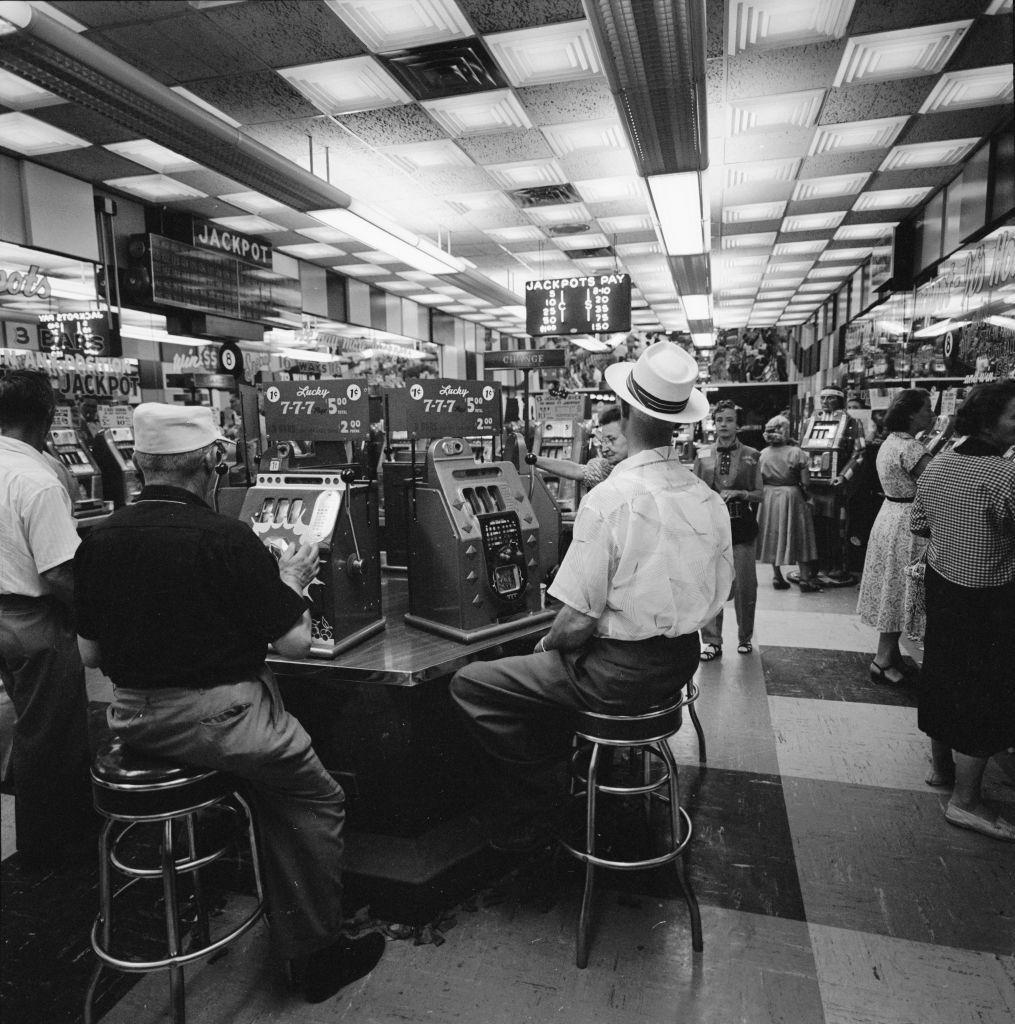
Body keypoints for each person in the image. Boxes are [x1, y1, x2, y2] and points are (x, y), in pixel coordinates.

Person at [72, 403, 384, 1003]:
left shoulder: (99, 539)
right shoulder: (227, 538)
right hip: (224, 723)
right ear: (212, 464)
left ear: (138, 464)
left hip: (134, 721)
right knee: (315, 798)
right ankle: (316, 956)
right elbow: (293, 640)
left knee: (262, 780)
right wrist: (291, 580)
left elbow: (90, 654)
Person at [450, 342, 733, 849]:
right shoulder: (707, 498)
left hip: (616, 676)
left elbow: (576, 624)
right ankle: (570, 765)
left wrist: (541, 647)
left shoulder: (611, 499)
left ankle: (542, 804)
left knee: (473, 683)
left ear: (624, 412)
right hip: (679, 664)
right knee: (539, 676)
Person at [911, 381, 1015, 840]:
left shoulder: (940, 463)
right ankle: (966, 803)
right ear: (991, 421)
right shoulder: (1003, 474)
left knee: (942, 673)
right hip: (988, 596)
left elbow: (919, 523)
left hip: (943, 586)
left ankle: (941, 771)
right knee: (985, 691)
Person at [0, 370, 95, 871]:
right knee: (50, 731)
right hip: (35, 617)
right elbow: (59, 572)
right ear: (49, 417)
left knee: (30, 718)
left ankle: (48, 830)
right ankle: (48, 847)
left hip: (2, 614)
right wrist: (96, 619)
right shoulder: (37, 480)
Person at [855, 389, 935, 685]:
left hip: (889, 516)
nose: (931, 414)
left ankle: (889, 655)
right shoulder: (913, 448)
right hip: (909, 523)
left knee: (892, 588)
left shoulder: (890, 441)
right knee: (901, 591)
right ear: (911, 413)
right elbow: (935, 483)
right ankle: (883, 660)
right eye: (927, 408)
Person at [694, 400, 763, 658]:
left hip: (742, 527)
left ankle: (745, 637)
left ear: (738, 425)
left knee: (746, 585)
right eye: (720, 419)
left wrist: (741, 493)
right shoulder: (703, 454)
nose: (724, 425)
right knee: (712, 585)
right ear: (714, 423)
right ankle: (712, 641)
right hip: (712, 528)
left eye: (729, 420)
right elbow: (695, 492)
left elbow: (759, 494)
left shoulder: (752, 455)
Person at [756, 415, 820, 592]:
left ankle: (777, 577)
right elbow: (806, 482)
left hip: (769, 497)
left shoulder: (762, 454)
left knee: (773, 535)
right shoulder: (796, 452)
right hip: (792, 496)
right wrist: (809, 497)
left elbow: (757, 481)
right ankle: (806, 579)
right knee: (800, 536)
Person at [531, 406, 627, 491]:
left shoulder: (640, 471)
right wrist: (535, 460)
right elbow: (575, 470)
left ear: (630, 435)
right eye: (604, 441)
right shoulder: (607, 470)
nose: (605, 449)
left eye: (612, 439)